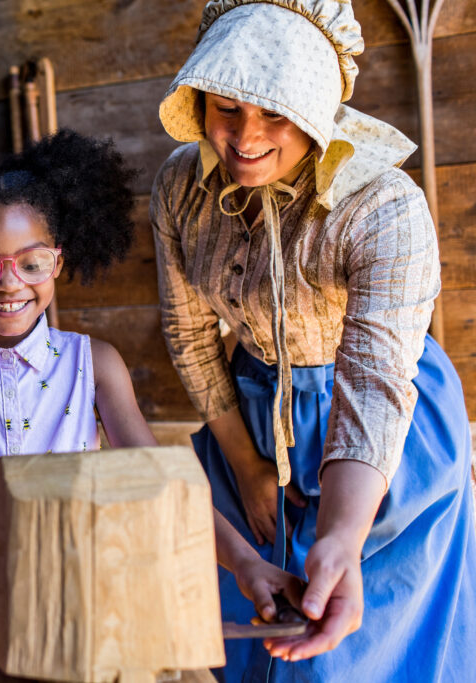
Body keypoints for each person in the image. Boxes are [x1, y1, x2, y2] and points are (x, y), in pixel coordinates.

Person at [0, 130, 300, 683]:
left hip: (78, 576)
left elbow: (160, 487)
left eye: (32, 263)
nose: (9, 284)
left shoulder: (95, 364)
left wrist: (248, 564)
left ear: (59, 262)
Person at [150, 1, 476, 680]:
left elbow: (377, 377)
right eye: (227, 108)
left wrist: (342, 535)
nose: (245, 137)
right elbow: (188, 331)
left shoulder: (382, 205)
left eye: (275, 113)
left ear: (318, 106)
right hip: (247, 415)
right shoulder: (181, 186)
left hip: (383, 431)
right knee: (258, 627)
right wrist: (244, 464)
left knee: (355, 649)